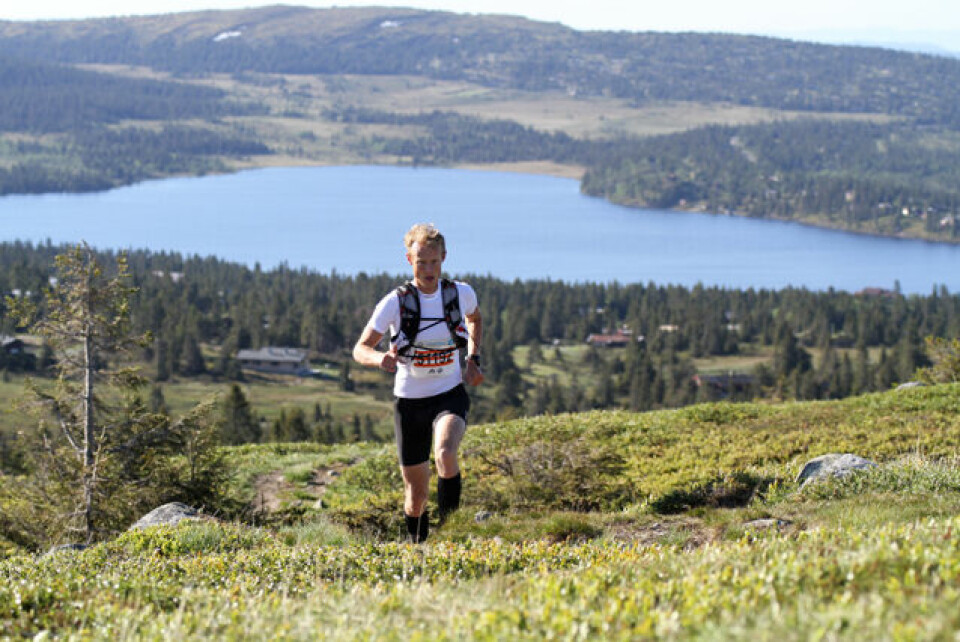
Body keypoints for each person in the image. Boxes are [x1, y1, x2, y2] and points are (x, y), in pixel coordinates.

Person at [353, 223, 484, 543]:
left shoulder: (460, 294)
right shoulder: (394, 303)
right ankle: (418, 547)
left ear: (444, 258)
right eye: (421, 262)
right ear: (408, 259)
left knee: (445, 453)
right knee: (416, 494)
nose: (428, 269)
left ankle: (452, 533)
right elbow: (360, 348)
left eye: (434, 262)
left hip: (449, 394)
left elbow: (475, 319)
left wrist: (473, 358)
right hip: (410, 402)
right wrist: (379, 359)